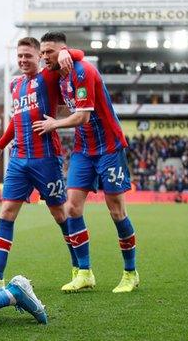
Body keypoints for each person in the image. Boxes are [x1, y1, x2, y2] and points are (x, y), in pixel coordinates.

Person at [33, 31, 139, 293]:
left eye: (50, 51)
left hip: (110, 148)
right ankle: (84, 273)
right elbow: (34, 74)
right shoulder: (56, 73)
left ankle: (130, 273)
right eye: (43, 52)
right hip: (83, 150)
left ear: (63, 50)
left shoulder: (83, 71)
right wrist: (67, 54)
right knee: (72, 209)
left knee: (116, 212)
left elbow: (81, 117)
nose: (45, 57)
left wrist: (54, 124)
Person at [0, 37, 84, 290]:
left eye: (29, 56)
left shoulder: (48, 76)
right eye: (20, 56)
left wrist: (67, 52)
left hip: (46, 159)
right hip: (18, 160)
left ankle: (80, 268)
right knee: (6, 213)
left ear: (39, 57)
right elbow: (16, 120)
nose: (23, 60)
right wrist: (0, 145)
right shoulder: (16, 85)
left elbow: (77, 56)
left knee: (59, 214)